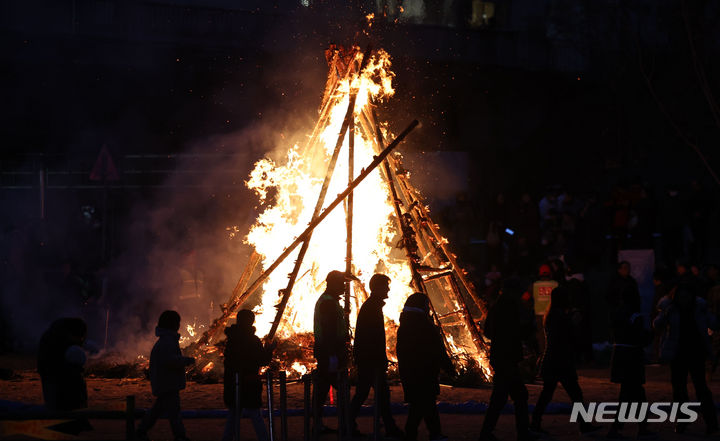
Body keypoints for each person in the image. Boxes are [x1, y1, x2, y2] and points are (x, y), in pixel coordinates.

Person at [530, 287, 598, 435]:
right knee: (573, 394)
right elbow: (567, 337)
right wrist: (574, 323)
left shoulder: (552, 314)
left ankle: (535, 423)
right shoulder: (559, 316)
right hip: (560, 360)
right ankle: (584, 425)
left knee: (549, 394)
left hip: (553, 359)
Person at [653, 283, 719, 435]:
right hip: (678, 353)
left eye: (687, 295)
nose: (685, 298)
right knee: (679, 389)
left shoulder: (699, 308)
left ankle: (711, 423)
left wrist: (710, 314)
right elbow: (657, 325)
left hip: (696, 352)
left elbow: (714, 324)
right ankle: (682, 421)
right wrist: (665, 314)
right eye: (682, 295)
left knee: (701, 388)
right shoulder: (670, 308)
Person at [479, 278, 536, 441]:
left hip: (500, 357)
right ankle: (520, 433)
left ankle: (491, 433)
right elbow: (515, 332)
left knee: (508, 396)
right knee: (511, 397)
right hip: (507, 358)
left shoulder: (496, 306)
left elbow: (488, 332)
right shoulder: (509, 306)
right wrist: (529, 328)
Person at [349, 274, 404, 438]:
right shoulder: (371, 308)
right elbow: (371, 338)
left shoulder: (372, 306)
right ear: (378, 288)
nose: (388, 289)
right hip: (371, 361)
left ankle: (387, 426)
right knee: (371, 393)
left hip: (369, 359)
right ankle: (350, 423)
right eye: (385, 286)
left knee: (374, 393)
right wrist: (379, 360)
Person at [396, 292, 453, 441]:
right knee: (423, 404)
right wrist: (448, 367)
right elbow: (437, 348)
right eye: (426, 305)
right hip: (424, 372)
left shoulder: (405, 324)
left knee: (424, 404)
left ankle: (432, 433)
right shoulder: (423, 324)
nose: (428, 308)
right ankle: (418, 433)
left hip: (410, 372)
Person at [137, 310, 195, 441]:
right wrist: (187, 360)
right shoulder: (167, 341)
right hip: (168, 383)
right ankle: (180, 436)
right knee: (174, 412)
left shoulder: (166, 340)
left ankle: (141, 431)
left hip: (165, 382)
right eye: (177, 322)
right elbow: (170, 360)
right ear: (173, 324)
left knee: (158, 410)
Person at [606, 287, 653, 439]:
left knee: (627, 393)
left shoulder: (616, 313)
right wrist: (650, 334)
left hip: (620, 354)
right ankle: (639, 426)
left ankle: (621, 426)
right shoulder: (635, 315)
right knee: (636, 393)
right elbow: (640, 337)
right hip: (632, 356)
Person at [222, 309, 275, 441]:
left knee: (233, 415)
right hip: (249, 384)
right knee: (255, 415)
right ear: (251, 322)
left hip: (232, 383)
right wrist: (269, 349)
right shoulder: (252, 340)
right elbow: (262, 360)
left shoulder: (231, 339)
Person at [37, 318, 93, 435]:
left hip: (53, 377)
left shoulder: (57, 338)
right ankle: (68, 424)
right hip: (55, 379)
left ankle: (69, 423)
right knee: (61, 405)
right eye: (80, 338)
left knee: (59, 405)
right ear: (72, 334)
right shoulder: (55, 344)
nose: (81, 341)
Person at [313, 270, 351, 434]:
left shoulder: (329, 301)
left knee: (323, 389)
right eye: (341, 283)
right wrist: (333, 356)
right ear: (332, 284)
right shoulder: (328, 303)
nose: (343, 286)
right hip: (330, 352)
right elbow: (329, 330)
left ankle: (319, 424)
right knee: (336, 388)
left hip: (328, 351)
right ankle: (345, 425)